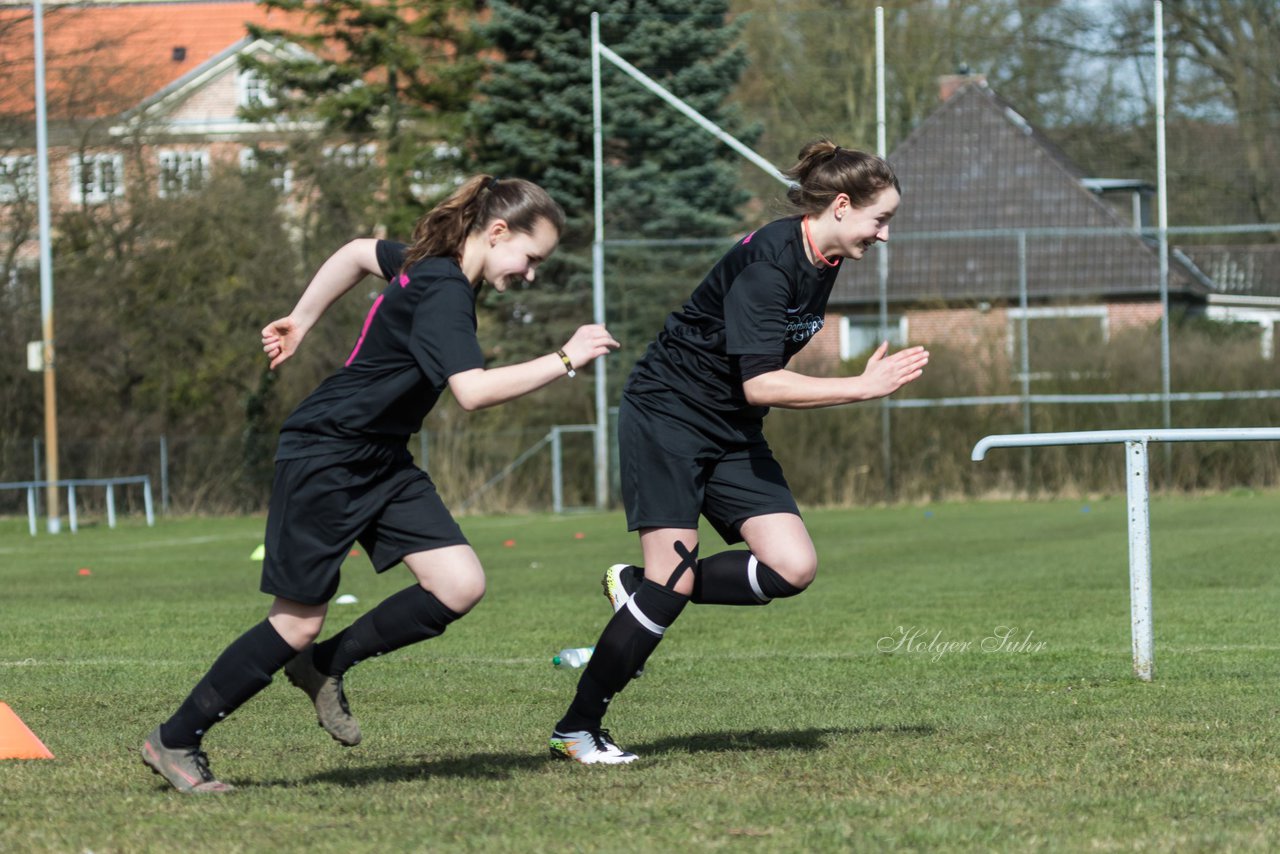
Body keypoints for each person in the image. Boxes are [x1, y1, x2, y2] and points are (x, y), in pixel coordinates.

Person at [141, 175, 619, 793]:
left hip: (381, 457)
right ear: (497, 232)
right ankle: (176, 739)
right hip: (327, 453)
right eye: (531, 259)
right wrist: (564, 359)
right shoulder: (445, 288)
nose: (530, 275)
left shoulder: (432, 263)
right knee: (295, 622)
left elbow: (358, 252)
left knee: (458, 583)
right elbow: (471, 393)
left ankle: (325, 665)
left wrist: (302, 320)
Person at [548, 141, 929, 764]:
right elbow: (760, 381)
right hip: (668, 416)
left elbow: (750, 389)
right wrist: (860, 387)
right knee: (671, 587)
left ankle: (638, 586)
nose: (883, 235)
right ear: (840, 205)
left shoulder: (825, 259)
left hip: (731, 428)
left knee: (792, 567)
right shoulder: (770, 265)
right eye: (878, 219)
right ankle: (578, 728)